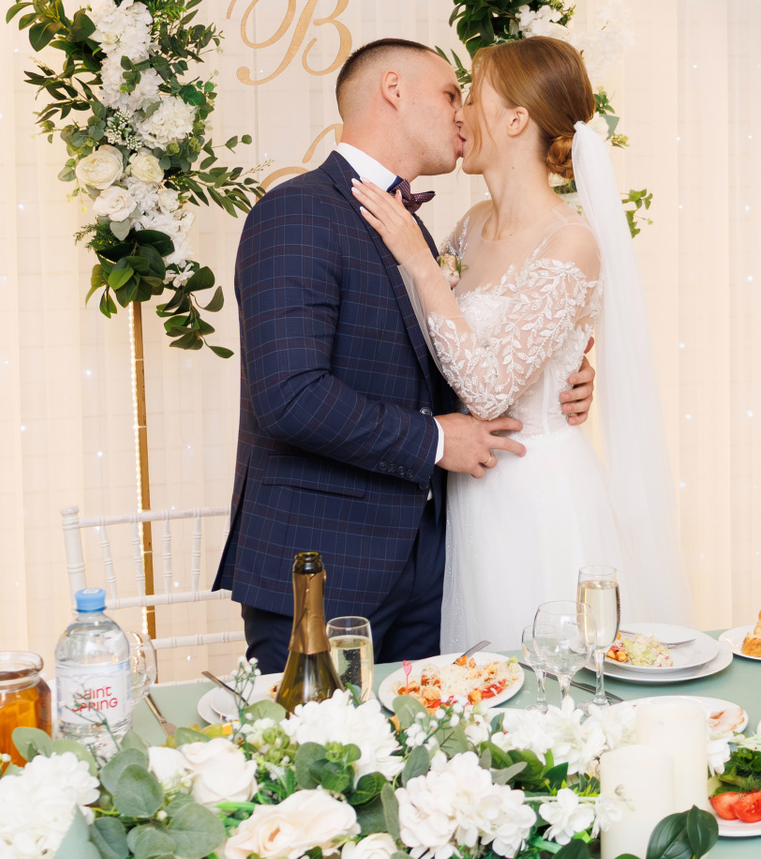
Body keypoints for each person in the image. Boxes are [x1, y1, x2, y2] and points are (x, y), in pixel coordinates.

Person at [213, 37, 597, 669]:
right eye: (450, 94)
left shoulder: (414, 226)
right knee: (314, 734)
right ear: (394, 90)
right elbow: (290, 396)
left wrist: (560, 368)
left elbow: (449, 354)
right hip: (325, 563)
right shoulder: (296, 211)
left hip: (434, 564)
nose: (460, 113)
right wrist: (437, 440)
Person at [353, 36, 692, 651]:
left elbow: (487, 391)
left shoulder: (571, 241)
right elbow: (428, 341)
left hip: (536, 495)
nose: (458, 113)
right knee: (481, 680)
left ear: (515, 120)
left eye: (471, 96)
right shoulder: (470, 226)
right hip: (468, 491)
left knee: (551, 669)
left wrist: (422, 265)